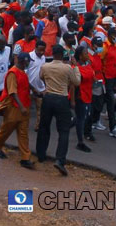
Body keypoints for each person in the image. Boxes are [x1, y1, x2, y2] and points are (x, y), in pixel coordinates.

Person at [36, 44, 81, 176]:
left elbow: (41, 77)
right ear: (62, 55)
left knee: (44, 127)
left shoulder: (45, 66)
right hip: (62, 99)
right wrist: (76, 66)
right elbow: (77, 81)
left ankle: (41, 154)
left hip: (48, 98)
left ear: (53, 54)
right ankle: (60, 160)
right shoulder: (67, 68)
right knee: (63, 131)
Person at [0, 52, 38, 169]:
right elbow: (12, 92)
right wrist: (21, 106)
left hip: (23, 106)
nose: (29, 64)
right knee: (6, 130)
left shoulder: (22, 71)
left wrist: (34, 90)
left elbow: (25, 84)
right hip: (14, 107)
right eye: (28, 62)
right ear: (23, 61)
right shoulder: (13, 73)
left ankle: (25, 158)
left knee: (23, 133)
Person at [100, 28, 116, 138]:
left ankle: (93, 121)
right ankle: (113, 127)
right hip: (106, 78)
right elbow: (98, 61)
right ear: (110, 35)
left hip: (114, 78)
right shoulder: (104, 46)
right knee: (110, 102)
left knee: (99, 103)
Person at [72, 45, 94, 153]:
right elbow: (73, 85)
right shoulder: (75, 69)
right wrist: (73, 100)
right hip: (80, 96)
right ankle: (80, 142)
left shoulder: (88, 65)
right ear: (80, 56)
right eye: (85, 53)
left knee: (83, 116)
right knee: (81, 119)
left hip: (88, 94)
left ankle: (68, 124)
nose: (88, 55)